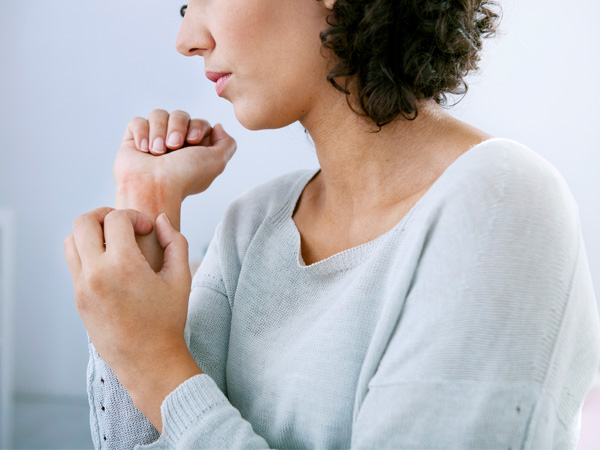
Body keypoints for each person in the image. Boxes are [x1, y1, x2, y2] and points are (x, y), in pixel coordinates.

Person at [63, 0, 600, 448]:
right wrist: (147, 203)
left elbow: (163, 383)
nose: (186, 38)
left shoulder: (501, 202)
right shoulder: (253, 226)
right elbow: (135, 437)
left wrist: (158, 364)